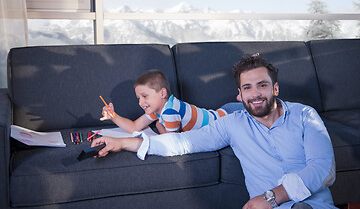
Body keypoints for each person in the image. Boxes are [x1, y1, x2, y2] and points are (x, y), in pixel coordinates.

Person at [92, 54, 337, 209]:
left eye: (262, 85)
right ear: (240, 94)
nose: (255, 94)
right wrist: (123, 143)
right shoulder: (232, 124)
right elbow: (181, 143)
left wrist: (273, 197)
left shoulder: (306, 115)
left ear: (275, 88)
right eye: (247, 88)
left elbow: (324, 169)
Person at [101, 69, 228, 134]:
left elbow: (172, 141)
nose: (140, 102)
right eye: (138, 98)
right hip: (222, 113)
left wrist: (158, 125)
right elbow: (134, 127)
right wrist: (113, 116)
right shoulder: (157, 109)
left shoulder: (169, 111)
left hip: (225, 118)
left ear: (162, 93)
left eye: (145, 96)